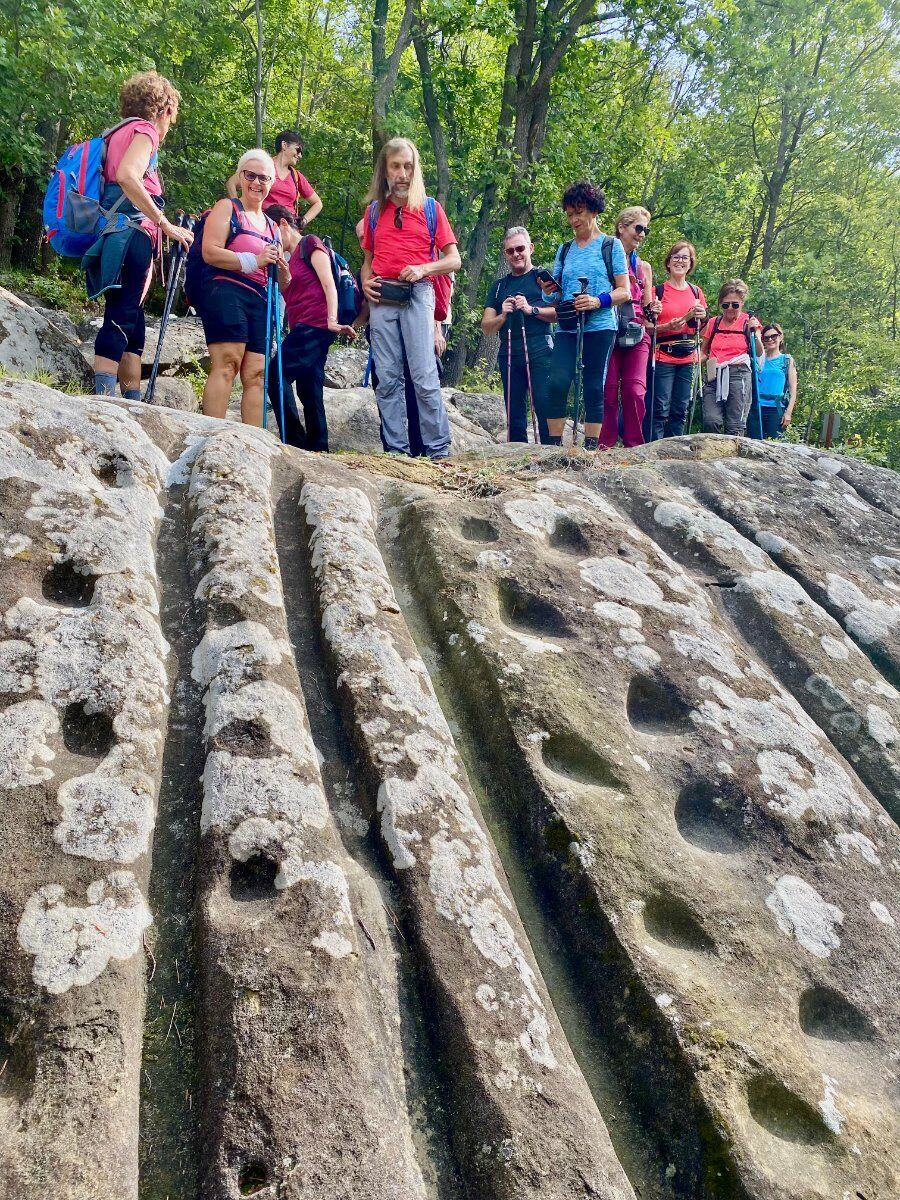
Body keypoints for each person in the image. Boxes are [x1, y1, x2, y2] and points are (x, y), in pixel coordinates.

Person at [85, 71, 193, 399]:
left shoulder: (116, 133)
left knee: (132, 323)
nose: (171, 124)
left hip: (114, 232)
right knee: (120, 316)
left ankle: (133, 405)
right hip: (132, 234)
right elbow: (128, 176)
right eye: (173, 114)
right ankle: (103, 403)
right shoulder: (144, 131)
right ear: (164, 109)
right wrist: (164, 222)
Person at [361, 137, 461, 460]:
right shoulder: (375, 211)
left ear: (415, 170)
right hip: (381, 297)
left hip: (418, 293)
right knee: (387, 378)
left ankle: (438, 451)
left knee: (424, 375)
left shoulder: (431, 208)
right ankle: (396, 451)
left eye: (408, 166)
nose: (402, 173)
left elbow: (453, 259)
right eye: (395, 166)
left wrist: (423, 269)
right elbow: (367, 261)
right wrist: (365, 284)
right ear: (385, 171)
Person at [544, 181, 629, 449]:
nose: (573, 219)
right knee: (557, 381)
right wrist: (548, 291)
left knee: (594, 384)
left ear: (593, 211)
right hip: (568, 324)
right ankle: (554, 447)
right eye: (569, 214)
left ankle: (590, 447)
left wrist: (596, 301)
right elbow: (556, 293)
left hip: (601, 324)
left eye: (578, 212)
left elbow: (624, 291)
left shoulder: (610, 245)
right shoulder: (565, 249)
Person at [263, 205, 357, 449]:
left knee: (276, 374)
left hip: (316, 323)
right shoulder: (287, 258)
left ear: (283, 224)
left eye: (270, 230)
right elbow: (289, 292)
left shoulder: (311, 244)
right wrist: (282, 273)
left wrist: (332, 319)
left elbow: (329, 283)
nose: (269, 238)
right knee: (309, 386)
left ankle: (294, 441)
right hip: (303, 325)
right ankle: (318, 445)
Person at [200, 149, 281, 426]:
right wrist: (254, 260)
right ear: (240, 176)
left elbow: (284, 280)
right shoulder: (228, 207)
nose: (257, 183)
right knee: (228, 363)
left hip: (260, 299)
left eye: (264, 178)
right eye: (250, 175)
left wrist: (283, 270)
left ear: (271, 183)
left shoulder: (273, 227)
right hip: (227, 290)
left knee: (257, 373)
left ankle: (252, 443)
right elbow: (209, 252)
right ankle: (210, 434)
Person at [481, 226, 555, 443]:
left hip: (540, 347)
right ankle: (517, 459)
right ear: (505, 254)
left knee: (543, 403)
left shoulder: (543, 278)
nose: (516, 254)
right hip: (509, 350)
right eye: (510, 251)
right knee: (513, 409)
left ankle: (551, 455)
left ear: (530, 248)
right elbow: (486, 326)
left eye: (520, 248)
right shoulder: (498, 287)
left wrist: (531, 309)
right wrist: (503, 315)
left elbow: (560, 313)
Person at [600, 206, 654, 449]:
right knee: (608, 390)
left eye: (646, 230)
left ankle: (633, 446)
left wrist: (657, 309)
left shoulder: (644, 267)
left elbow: (648, 305)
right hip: (608, 328)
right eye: (638, 228)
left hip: (636, 330)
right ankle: (605, 446)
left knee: (634, 390)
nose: (642, 234)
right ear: (622, 227)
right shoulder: (604, 257)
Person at [647, 240, 708, 440]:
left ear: (691, 263)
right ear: (668, 261)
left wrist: (701, 316)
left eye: (685, 257)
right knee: (660, 407)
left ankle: (675, 450)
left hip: (688, 356)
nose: (680, 261)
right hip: (663, 354)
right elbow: (645, 326)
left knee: (681, 407)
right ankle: (654, 448)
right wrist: (665, 326)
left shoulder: (696, 292)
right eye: (676, 256)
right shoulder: (658, 291)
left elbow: (703, 326)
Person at [700, 280, 762, 436]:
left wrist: (755, 333)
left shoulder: (749, 323)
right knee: (710, 420)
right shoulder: (714, 323)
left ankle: (731, 460)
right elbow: (703, 351)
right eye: (725, 305)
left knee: (735, 424)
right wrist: (688, 362)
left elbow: (759, 352)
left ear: (742, 303)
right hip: (714, 375)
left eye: (735, 305)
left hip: (739, 374)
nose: (729, 309)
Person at [227, 130, 322, 227]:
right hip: (261, 225)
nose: (300, 155)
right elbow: (231, 183)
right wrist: (238, 209)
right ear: (284, 145)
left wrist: (303, 221)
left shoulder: (296, 176)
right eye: (298, 150)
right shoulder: (263, 166)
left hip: (288, 231)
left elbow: (318, 203)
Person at [754, 323, 798, 439]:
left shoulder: (787, 360)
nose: (770, 340)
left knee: (774, 445)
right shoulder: (758, 359)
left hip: (776, 409)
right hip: (756, 408)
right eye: (766, 337)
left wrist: (788, 413)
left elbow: (793, 389)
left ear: (780, 337)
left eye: (774, 336)